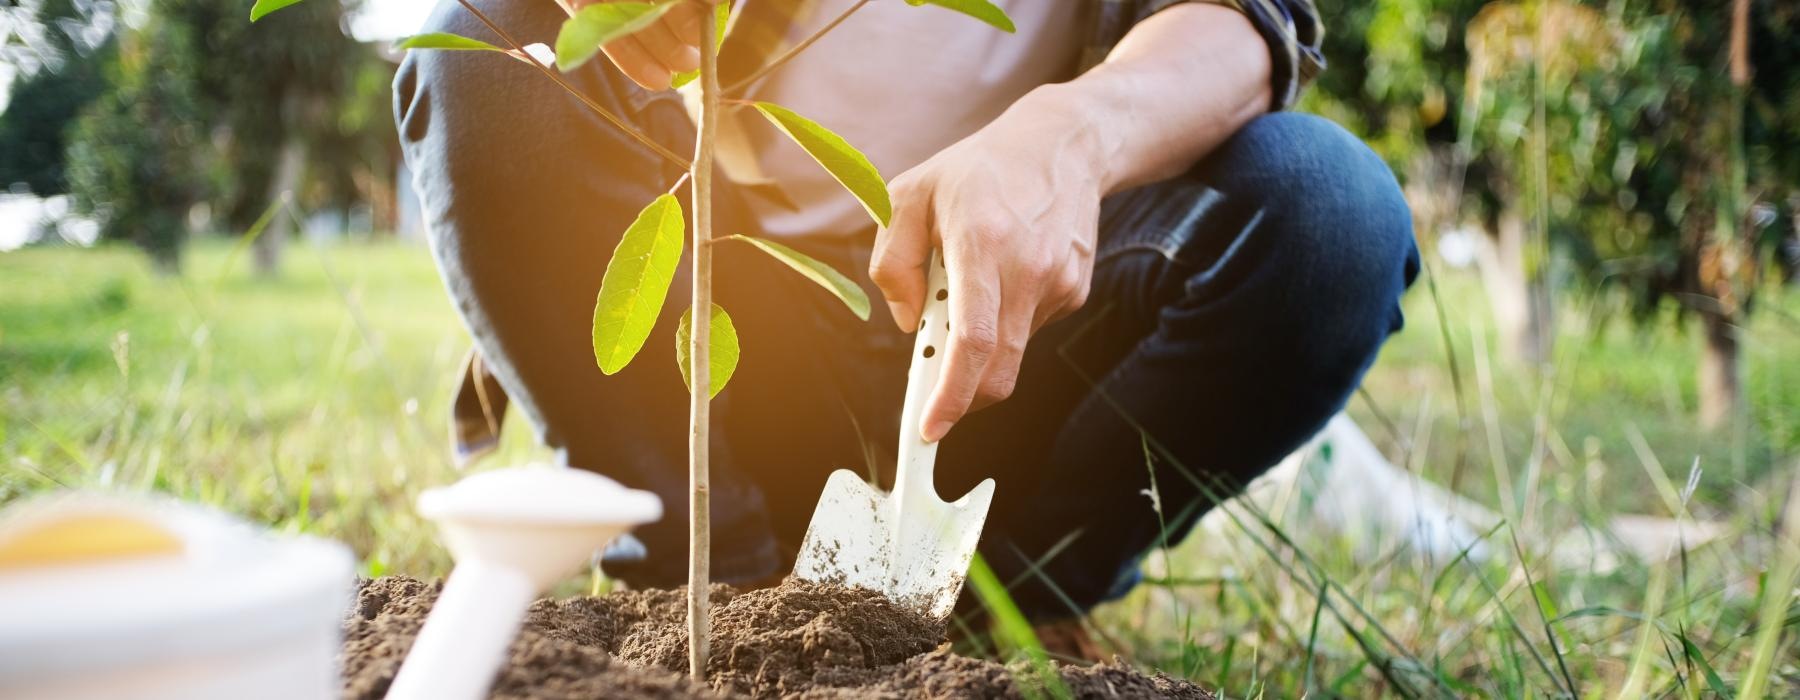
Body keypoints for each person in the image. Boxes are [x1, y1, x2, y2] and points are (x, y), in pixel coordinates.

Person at [394, 0, 1419, 633]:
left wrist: (1071, 133)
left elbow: (1252, 21)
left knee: (1332, 215)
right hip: (738, 349)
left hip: (1025, 331)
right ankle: (708, 594)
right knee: (485, 46)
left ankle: (1002, 617)